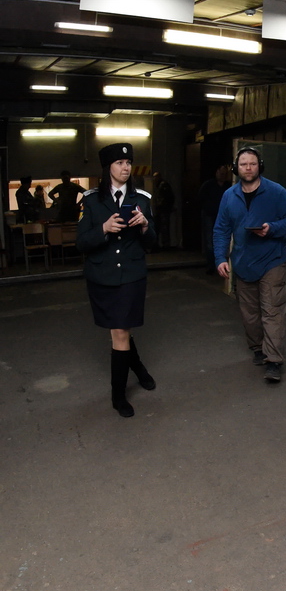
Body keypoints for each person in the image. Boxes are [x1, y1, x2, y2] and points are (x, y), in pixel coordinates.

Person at [75, 143, 157, 418]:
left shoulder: (143, 198)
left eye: (128, 162)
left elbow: (153, 242)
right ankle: (139, 369)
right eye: (120, 162)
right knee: (119, 330)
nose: (125, 168)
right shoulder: (90, 200)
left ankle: (118, 395)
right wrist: (103, 228)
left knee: (120, 331)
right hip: (102, 275)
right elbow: (82, 243)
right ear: (107, 167)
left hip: (132, 275)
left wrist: (145, 226)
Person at [214, 147, 286, 384]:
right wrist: (221, 258)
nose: (248, 168)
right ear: (236, 168)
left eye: (252, 164)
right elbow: (221, 229)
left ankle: (274, 361)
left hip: (272, 259)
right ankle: (257, 348)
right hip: (243, 261)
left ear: (259, 166)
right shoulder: (229, 196)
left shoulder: (276, 192)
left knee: (272, 311)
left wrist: (271, 229)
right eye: (243, 164)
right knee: (250, 314)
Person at [198, 164, 232, 274]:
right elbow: (200, 198)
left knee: (224, 239)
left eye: (224, 174)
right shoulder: (208, 185)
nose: (222, 175)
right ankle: (211, 265)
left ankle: (223, 264)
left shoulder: (228, 187)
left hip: (223, 217)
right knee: (210, 240)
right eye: (221, 173)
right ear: (216, 172)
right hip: (209, 215)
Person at [152, 172, 175, 247]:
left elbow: (168, 197)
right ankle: (161, 244)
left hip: (163, 209)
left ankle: (165, 244)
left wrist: (166, 206)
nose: (154, 179)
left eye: (156, 177)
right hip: (160, 209)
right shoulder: (158, 185)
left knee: (164, 227)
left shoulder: (163, 185)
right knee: (159, 227)